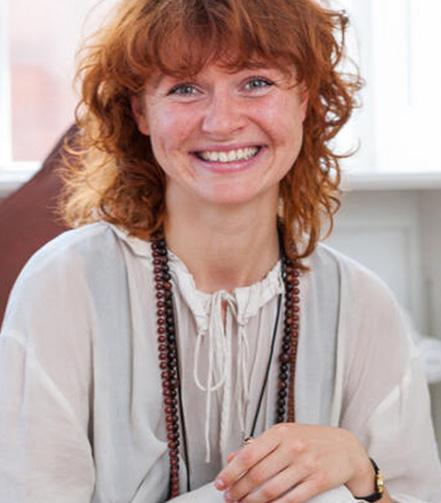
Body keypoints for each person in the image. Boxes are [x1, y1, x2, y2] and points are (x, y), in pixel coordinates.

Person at [0, 0, 440, 501]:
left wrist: (362, 472)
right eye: (185, 88)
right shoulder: (64, 286)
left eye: (256, 82)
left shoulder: (363, 304)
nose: (222, 122)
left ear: (304, 99)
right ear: (141, 112)